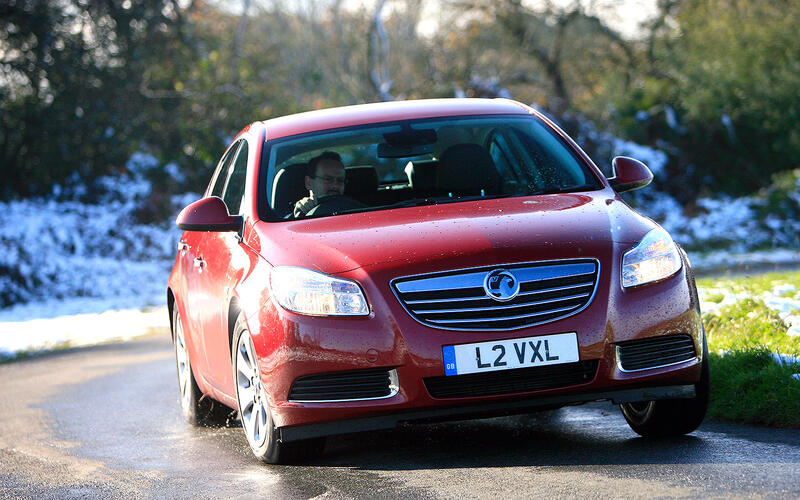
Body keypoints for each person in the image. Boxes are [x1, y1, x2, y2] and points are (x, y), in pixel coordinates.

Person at [293, 151, 347, 217]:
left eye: (340, 180)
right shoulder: (286, 219)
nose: (335, 186)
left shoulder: (357, 210)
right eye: (328, 179)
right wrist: (299, 213)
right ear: (308, 183)